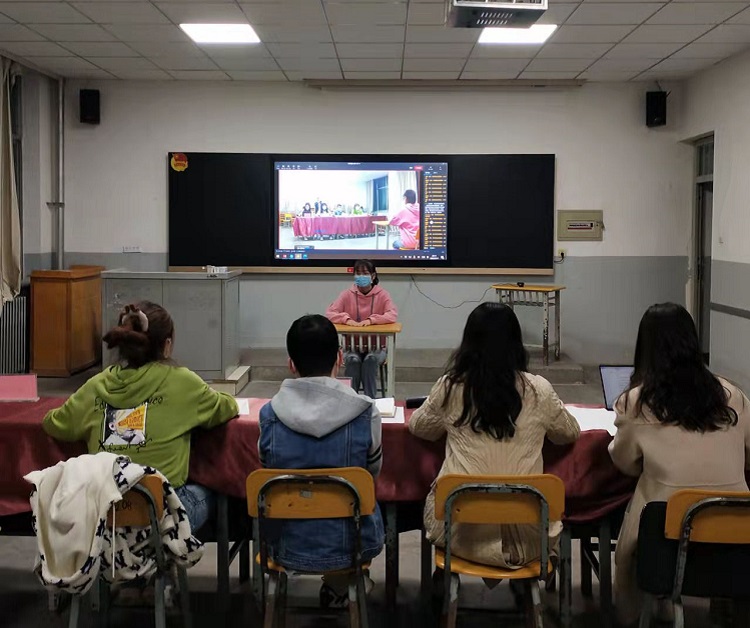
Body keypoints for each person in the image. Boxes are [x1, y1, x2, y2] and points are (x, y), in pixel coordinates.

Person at [409, 302, 580, 571]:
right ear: (517, 344)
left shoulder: (451, 387)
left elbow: (419, 427)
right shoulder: (539, 390)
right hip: (529, 538)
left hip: (458, 532)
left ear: (468, 344)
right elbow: (569, 433)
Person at [609, 303, 750, 627]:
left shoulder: (637, 402)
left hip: (664, 549)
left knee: (641, 510)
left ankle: (633, 616)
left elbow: (624, 462)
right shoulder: (733, 395)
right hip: (737, 542)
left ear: (644, 349)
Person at [42, 302, 238, 532]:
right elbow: (227, 407)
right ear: (166, 345)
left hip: (105, 517)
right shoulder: (183, 382)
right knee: (215, 490)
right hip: (162, 519)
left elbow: (54, 423)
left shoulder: (95, 386)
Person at [258, 314, 384, 607]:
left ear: (291, 363)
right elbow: (372, 474)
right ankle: (342, 583)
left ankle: (338, 585)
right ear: (340, 358)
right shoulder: (367, 412)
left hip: (283, 545)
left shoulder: (269, 415)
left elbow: (268, 471)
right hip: (354, 545)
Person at [325, 260, 398, 398]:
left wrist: (372, 320)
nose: (361, 276)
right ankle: (351, 399)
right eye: (358, 273)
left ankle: (370, 400)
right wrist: (347, 319)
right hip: (351, 347)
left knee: (370, 360)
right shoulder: (347, 294)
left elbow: (392, 314)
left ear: (373, 276)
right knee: (353, 360)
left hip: (376, 347)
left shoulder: (383, 295)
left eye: (365, 273)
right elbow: (330, 313)